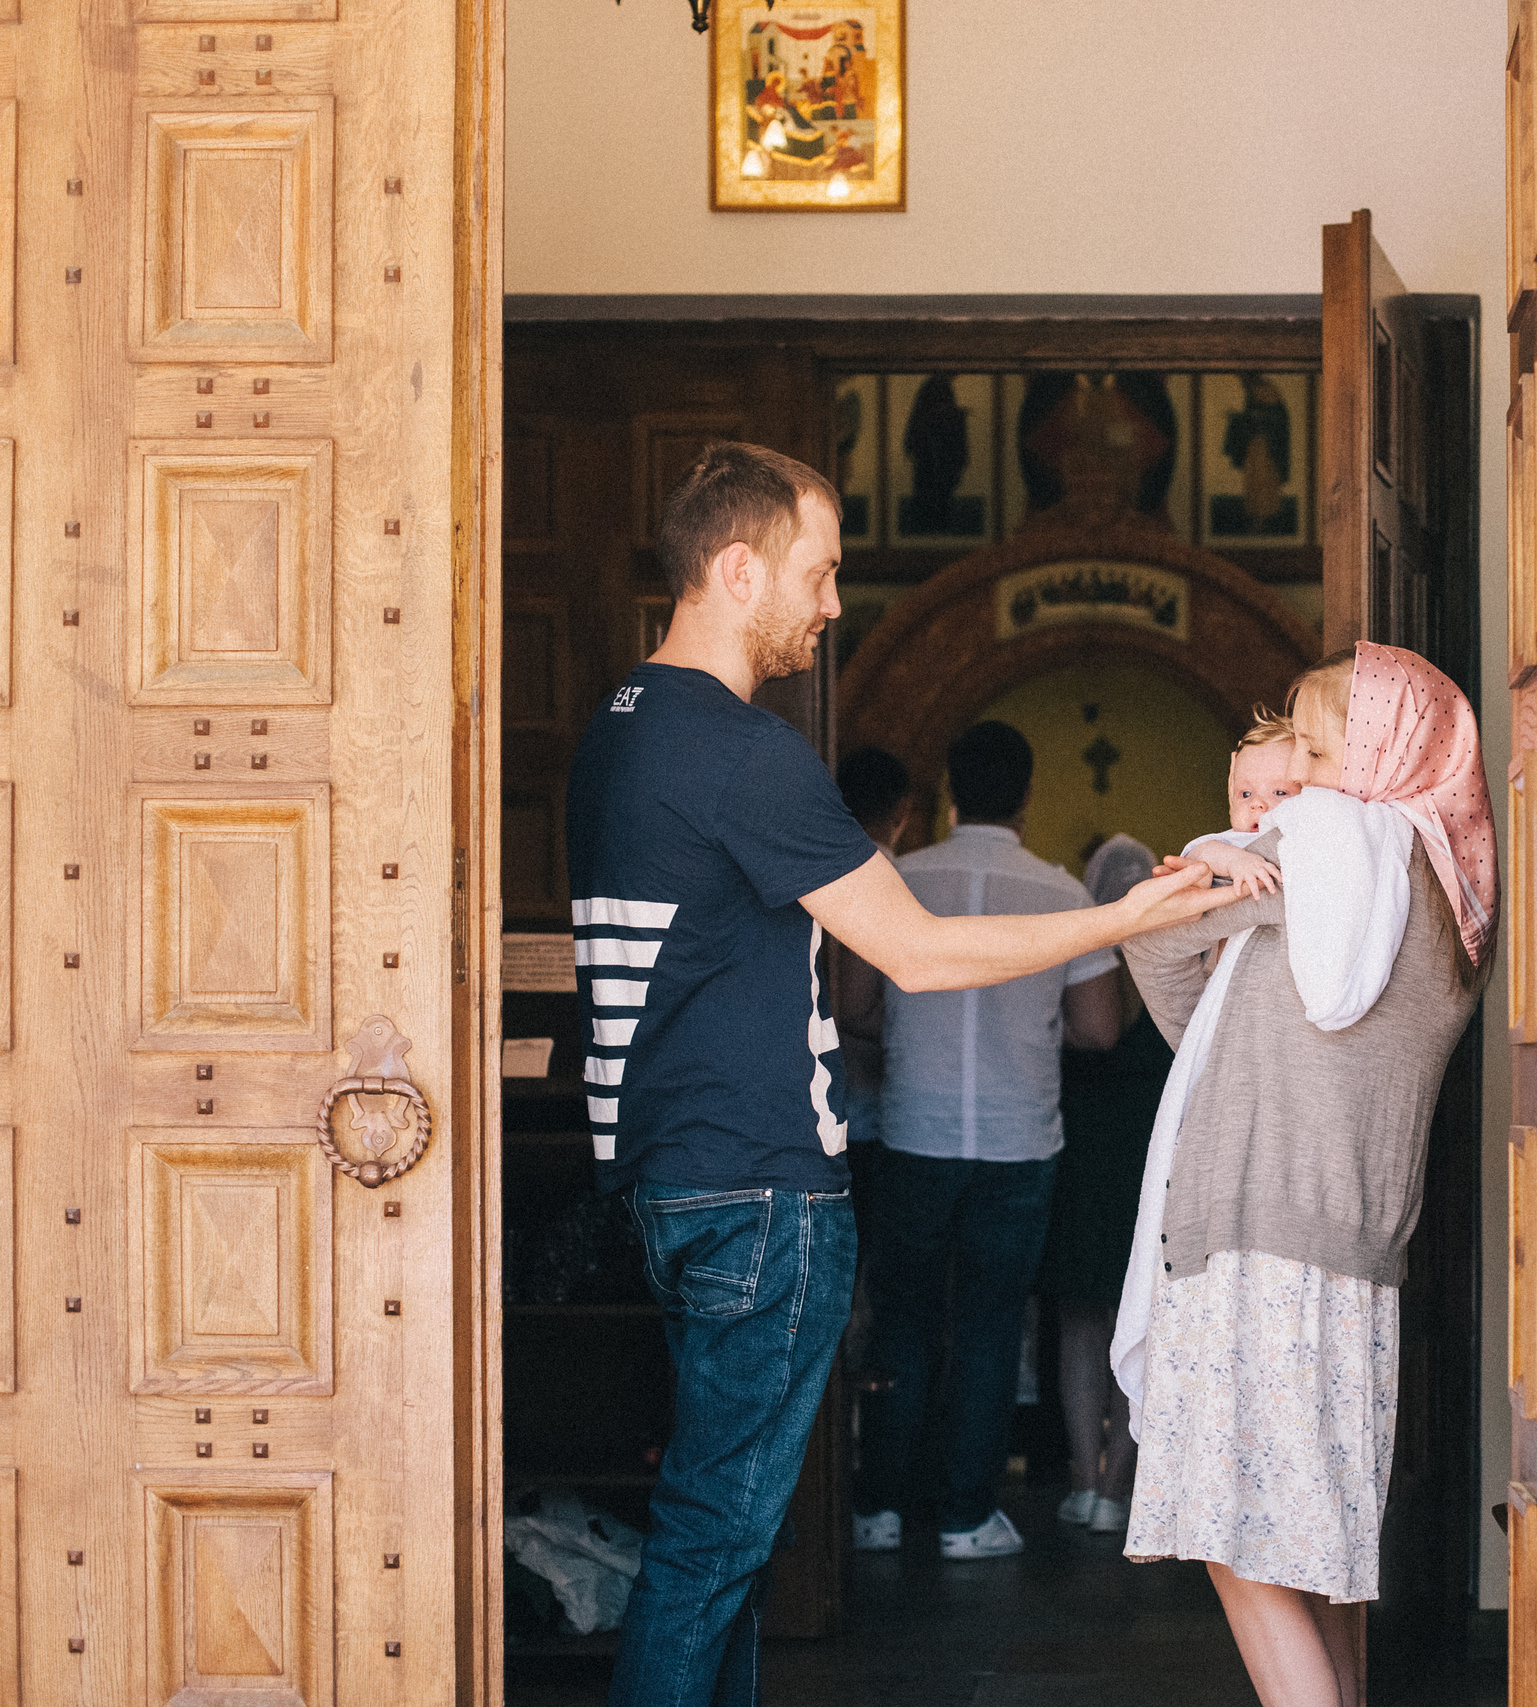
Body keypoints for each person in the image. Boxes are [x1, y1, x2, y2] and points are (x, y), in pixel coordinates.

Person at [565, 440, 1246, 1707]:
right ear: (736, 568)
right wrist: (1128, 918)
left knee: (724, 1547)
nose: (832, 604)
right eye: (818, 574)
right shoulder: (740, 750)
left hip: (670, 1182)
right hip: (759, 1187)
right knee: (713, 1544)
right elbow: (919, 956)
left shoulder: (617, 730)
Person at [1116, 643, 1495, 1707]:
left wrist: (1207, 861)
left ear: (1381, 753)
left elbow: (1158, 934)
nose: (1307, 780)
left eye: (1323, 751)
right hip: (1353, 1247)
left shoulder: (1327, 849)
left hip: (1252, 1231)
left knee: (1231, 1537)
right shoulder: (1449, 889)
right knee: (1301, 1546)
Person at [852, 720, 1125, 1562]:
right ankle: (967, 1515)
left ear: (948, 790)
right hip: (1016, 1143)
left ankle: (879, 1508)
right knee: (990, 1326)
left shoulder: (897, 880)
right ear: (1029, 794)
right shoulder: (1065, 895)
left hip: (913, 1133)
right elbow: (1101, 1029)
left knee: (899, 1319)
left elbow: (855, 1006)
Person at [1043, 834, 1173, 1534]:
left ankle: (1081, 1480)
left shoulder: (1078, 962)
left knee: (1080, 1329)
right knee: (1140, 1326)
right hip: (1147, 1168)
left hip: (1079, 1165)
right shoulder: (1174, 966)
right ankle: (1119, 1486)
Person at [831, 746, 912, 1149]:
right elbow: (856, 1006)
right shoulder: (892, 880)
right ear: (901, 810)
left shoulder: (815, 870)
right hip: (868, 1092)